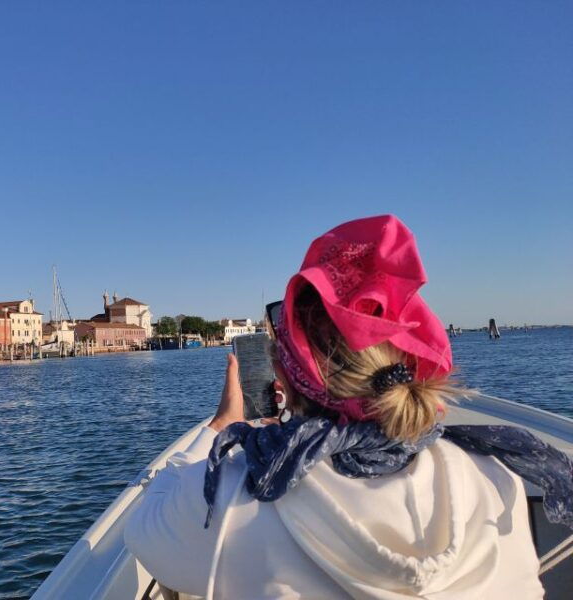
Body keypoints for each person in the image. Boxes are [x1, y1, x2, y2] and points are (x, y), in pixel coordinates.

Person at [125, 215, 572, 599]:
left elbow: (142, 527)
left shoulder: (236, 496)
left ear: (289, 372)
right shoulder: (499, 480)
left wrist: (220, 427)